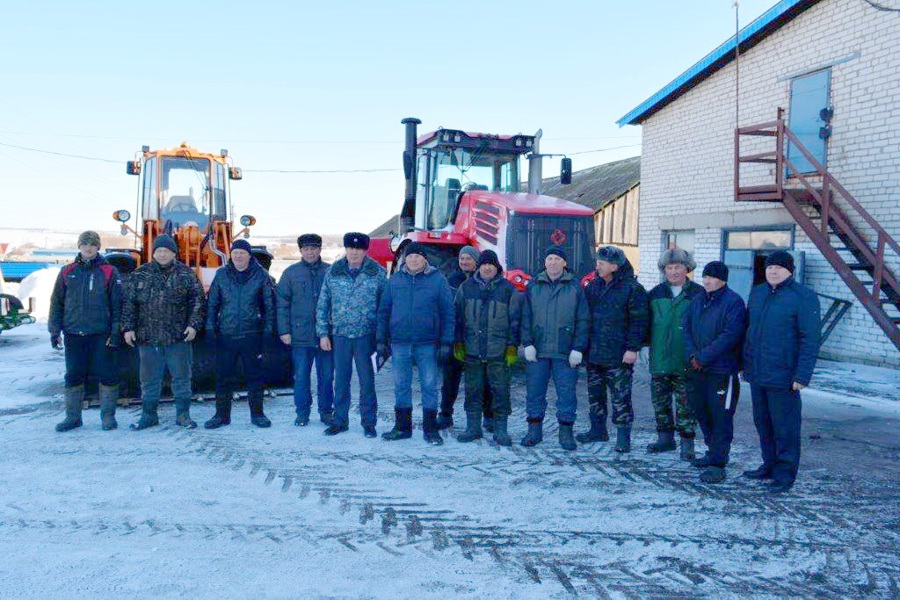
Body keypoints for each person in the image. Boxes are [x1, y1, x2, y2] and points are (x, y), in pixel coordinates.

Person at [742, 251, 820, 493]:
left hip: (784, 375)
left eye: (779, 267)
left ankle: (785, 474)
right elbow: (749, 331)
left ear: (790, 270)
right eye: (769, 267)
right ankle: (769, 464)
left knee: (785, 427)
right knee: (763, 423)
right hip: (758, 372)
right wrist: (745, 365)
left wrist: (802, 375)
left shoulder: (803, 297)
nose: (773, 271)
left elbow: (810, 339)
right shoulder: (758, 292)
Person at [122, 234, 205, 430]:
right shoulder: (139, 274)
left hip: (177, 337)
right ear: (153, 253)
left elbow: (198, 302)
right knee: (149, 380)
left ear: (173, 253)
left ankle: (183, 415)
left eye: (166, 251)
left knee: (182, 378)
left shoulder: (186, 275)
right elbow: (128, 304)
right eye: (158, 251)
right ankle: (149, 415)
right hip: (148, 338)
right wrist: (128, 328)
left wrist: (193, 325)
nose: (162, 254)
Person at [377, 242, 455, 445]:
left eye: (418, 257)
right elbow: (384, 311)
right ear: (406, 259)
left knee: (429, 385)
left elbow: (448, 312)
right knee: (401, 385)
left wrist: (447, 341)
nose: (413, 260)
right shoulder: (395, 280)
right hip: (400, 342)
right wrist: (381, 339)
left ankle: (430, 429)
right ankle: (402, 427)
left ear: (425, 259)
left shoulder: (437, 280)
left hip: (427, 343)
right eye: (410, 257)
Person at [48, 230, 123, 432]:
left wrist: (115, 332)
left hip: (101, 334)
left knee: (107, 375)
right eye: (85, 244)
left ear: (98, 247)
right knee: (73, 376)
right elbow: (56, 303)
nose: (88, 248)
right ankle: (73, 418)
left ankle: (108, 417)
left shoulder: (108, 271)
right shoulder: (67, 272)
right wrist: (55, 330)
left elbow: (118, 305)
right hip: (73, 334)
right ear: (79, 247)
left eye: (92, 245)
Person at [578, 246, 648, 453]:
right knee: (595, 395)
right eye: (598, 261)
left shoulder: (633, 289)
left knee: (621, 397)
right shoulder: (593, 287)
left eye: (602, 262)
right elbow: (586, 318)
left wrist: (632, 348)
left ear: (615, 266)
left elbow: (639, 321)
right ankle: (598, 430)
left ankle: (623, 437)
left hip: (619, 355)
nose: (597, 265)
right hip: (595, 353)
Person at [520, 245, 590, 451]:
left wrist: (578, 347)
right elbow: (526, 317)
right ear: (544, 262)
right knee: (534, 391)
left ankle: (566, 433)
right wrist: (528, 343)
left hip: (565, 351)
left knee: (567, 393)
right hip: (538, 351)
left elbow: (583, 319)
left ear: (564, 263)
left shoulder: (575, 287)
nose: (553, 262)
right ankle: (534, 431)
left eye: (557, 259)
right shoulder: (533, 286)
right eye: (549, 258)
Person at [316, 232, 386, 437]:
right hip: (340, 335)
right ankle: (340, 421)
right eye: (351, 248)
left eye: (359, 249)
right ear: (346, 249)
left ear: (365, 251)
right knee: (341, 381)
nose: (354, 252)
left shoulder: (377, 273)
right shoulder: (333, 273)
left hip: (367, 337)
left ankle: (369, 423)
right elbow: (323, 304)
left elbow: (384, 308)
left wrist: (382, 337)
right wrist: (323, 334)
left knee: (367, 381)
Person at [683, 261, 746, 484]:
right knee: (703, 412)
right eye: (705, 277)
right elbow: (687, 329)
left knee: (720, 417)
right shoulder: (698, 300)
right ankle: (712, 452)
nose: (707, 281)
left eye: (712, 277)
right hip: (697, 370)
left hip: (721, 370)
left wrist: (702, 357)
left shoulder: (733, 303)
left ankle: (719, 462)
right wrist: (692, 356)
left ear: (723, 279)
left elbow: (730, 336)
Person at [204, 239, 276, 429]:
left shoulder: (261, 275)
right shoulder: (221, 275)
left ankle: (258, 414)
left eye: (242, 253)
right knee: (223, 377)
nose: (238, 256)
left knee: (255, 377)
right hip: (226, 334)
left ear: (249, 255)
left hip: (251, 334)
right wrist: (210, 328)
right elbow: (212, 304)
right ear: (231, 255)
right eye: (235, 253)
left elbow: (269, 306)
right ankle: (221, 415)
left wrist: (267, 332)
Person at [454, 250, 520, 446]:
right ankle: (473, 428)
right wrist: (458, 342)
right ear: (479, 266)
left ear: (496, 267)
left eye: (491, 264)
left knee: (500, 391)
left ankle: (501, 430)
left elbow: (515, 321)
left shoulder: (508, 290)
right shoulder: (466, 288)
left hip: (498, 352)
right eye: (484, 264)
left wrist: (512, 347)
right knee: (473, 390)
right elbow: (457, 318)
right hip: (472, 351)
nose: (487, 267)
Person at [646, 248, 703, 459]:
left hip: (686, 360)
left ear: (687, 268)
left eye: (678, 266)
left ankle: (687, 443)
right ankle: (665, 439)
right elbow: (645, 324)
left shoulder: (697, 294)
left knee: (686, 404)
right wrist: (644, 346)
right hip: (660, 358)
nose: (674, 271)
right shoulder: (655, 294)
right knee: (660, 402)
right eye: (669, 267)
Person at [277, 233, 334, 427]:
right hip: (300, 335)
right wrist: (284, 331)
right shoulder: (290, 273)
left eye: (314, 248)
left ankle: (326, 412)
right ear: (300, 250)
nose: (310, 252)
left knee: (326, 376)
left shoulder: (331, 271)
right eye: (306, 249)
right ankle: (302, 413)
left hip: (326, 336)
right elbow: (282, 304)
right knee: (301, 377)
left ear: (320, 250)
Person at [439, 245, 487, 430]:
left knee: (480, 381)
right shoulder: (451, 280)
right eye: (462, 258)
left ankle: (485, 416)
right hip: (455, 337)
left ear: (476, 261)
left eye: (468, 258)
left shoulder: (483, 281)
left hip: (477, 338)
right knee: (450, 378)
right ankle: (445, 414)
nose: (465, 262)